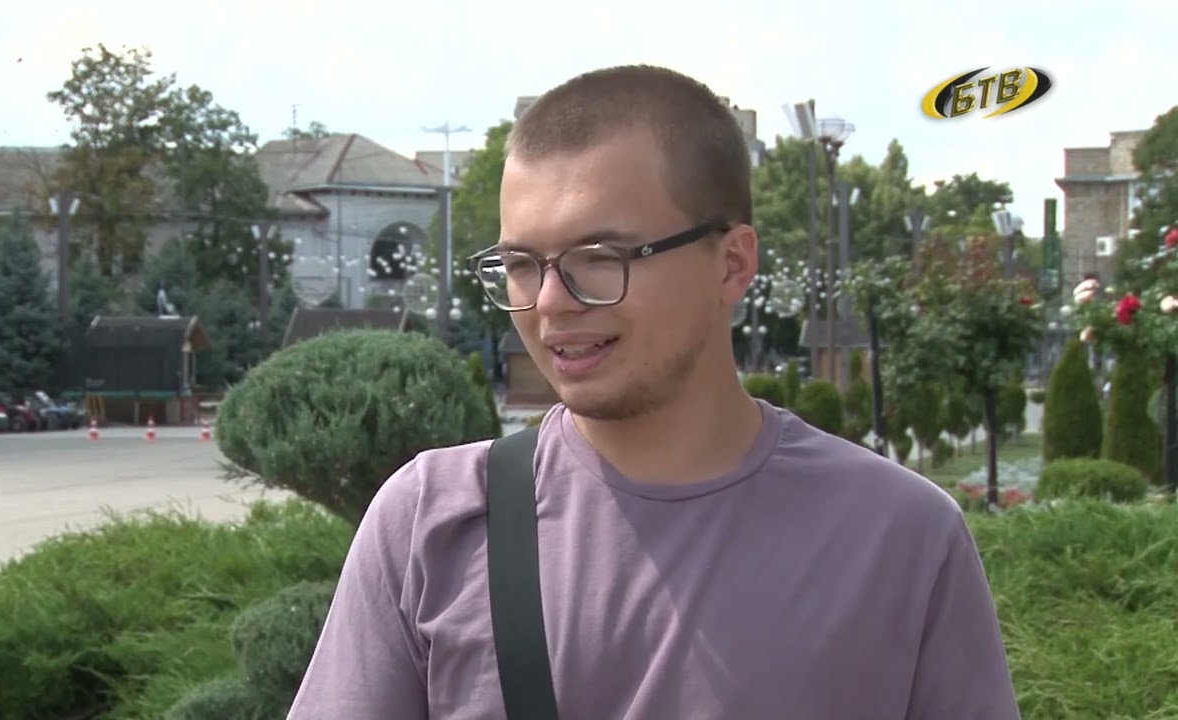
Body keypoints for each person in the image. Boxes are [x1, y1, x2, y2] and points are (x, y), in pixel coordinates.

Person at [288, 65, 1020, 719]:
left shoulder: (899, 536)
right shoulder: (432, 523)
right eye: (520, 264)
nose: (550, 303)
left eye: (598, 257)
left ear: (731, 264)